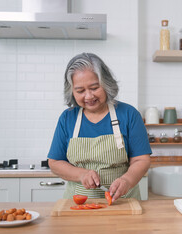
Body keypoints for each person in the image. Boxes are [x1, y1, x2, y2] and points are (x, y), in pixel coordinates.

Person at [47, 53, 151, 202]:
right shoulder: (67, 118)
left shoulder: (129, 114)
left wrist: (127, 180)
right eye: (80, 91)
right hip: (78, 204)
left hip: (123, 202)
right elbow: (55, 162)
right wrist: (81, 174)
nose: (88, 96)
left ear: (106, 84)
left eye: (94, 88)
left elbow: (141, 160)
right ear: (72, 92)